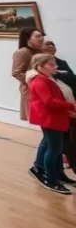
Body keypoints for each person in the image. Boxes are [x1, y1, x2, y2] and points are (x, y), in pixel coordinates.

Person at [27, 53, 76, 194]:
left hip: (54, 117)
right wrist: (71, 106)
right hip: (49, 118)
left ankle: (57, 174)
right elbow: (48, 101)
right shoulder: (40, 81)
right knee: (54, 149)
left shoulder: (47, 78)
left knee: (55, 147)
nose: (55, 66)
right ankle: (51, 179)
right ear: (40, 66)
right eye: (51, 64)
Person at [43, 40, 76, 169]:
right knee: (55, 142)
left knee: (66, 138)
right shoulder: (42, 78)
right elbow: (48, 100)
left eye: (53, 46)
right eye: (48, 46)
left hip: (68, 103)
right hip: (60, 108)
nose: (51, 48)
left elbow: (72, 79)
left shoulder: (61, 63)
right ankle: (51, 173)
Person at [12, 27, 44, 123]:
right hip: (32, 91)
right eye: (38, 36)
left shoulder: (39, 51)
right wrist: (35, 83)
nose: (41, 38)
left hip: (44, 89)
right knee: (42, 121)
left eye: (42, 36)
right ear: (27, 39)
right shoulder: (22, 52)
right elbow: (17, 73)